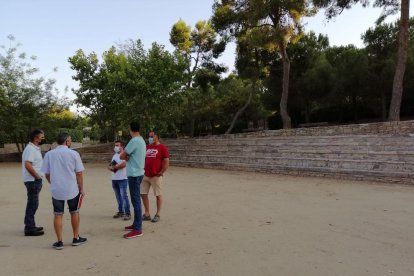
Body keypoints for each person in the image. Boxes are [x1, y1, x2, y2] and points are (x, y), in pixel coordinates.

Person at [41, 133, 87, 250]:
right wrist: (81, 188)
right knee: (74, 212)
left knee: (58, 214)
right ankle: (76, 238)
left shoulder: (49, 154)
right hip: (72, 188)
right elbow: (79, 173)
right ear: (67, 141)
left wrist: (54, 183)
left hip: (57, 189)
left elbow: (46, 173)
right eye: (70, 140)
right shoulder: (74, 154)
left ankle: (59, 241)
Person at [120, 121, 146, 239]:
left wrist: (126, 156)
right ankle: (136, 224)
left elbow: (122, 156)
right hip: (139, 172)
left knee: (135, 201)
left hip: (134, 174)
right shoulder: (141, 140)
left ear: (130, 129)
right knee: (136, 200)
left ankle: (138, 229)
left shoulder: (134, 141)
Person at [141, 130, 170, 223]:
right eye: (149, 136)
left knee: (158, 195)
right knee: (143, 193)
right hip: (145, 175)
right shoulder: (147, 147)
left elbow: (166, 161)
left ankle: (157, 214)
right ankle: (147, 213)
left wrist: (162, 171)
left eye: (152, 136)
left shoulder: (162, 147)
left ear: (157, 137)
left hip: (156, 176)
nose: (150, 138)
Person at [22, 129, 45, 236]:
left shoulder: (33, 148)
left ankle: (30, 225)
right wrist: (37, 177)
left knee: (33, 203)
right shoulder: (31, 149)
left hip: (33, 180)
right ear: (36, 138)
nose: (43, 138)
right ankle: (29, 228)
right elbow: (28, 165)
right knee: (32, 204)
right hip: (33, 181)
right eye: (42, 136)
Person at [107, 140, 130, 220]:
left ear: (122, 146)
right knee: (118, 196)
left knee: (124, 196)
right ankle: (121, 211)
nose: (115, 147)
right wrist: (112, 167)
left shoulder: (124, 155)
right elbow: (110, 165)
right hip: (114, 178)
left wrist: (114, 167)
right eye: (115, 145)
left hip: (123, 178)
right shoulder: (115, 155)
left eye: (117, 145)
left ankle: (127, 213)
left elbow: (124, 164)